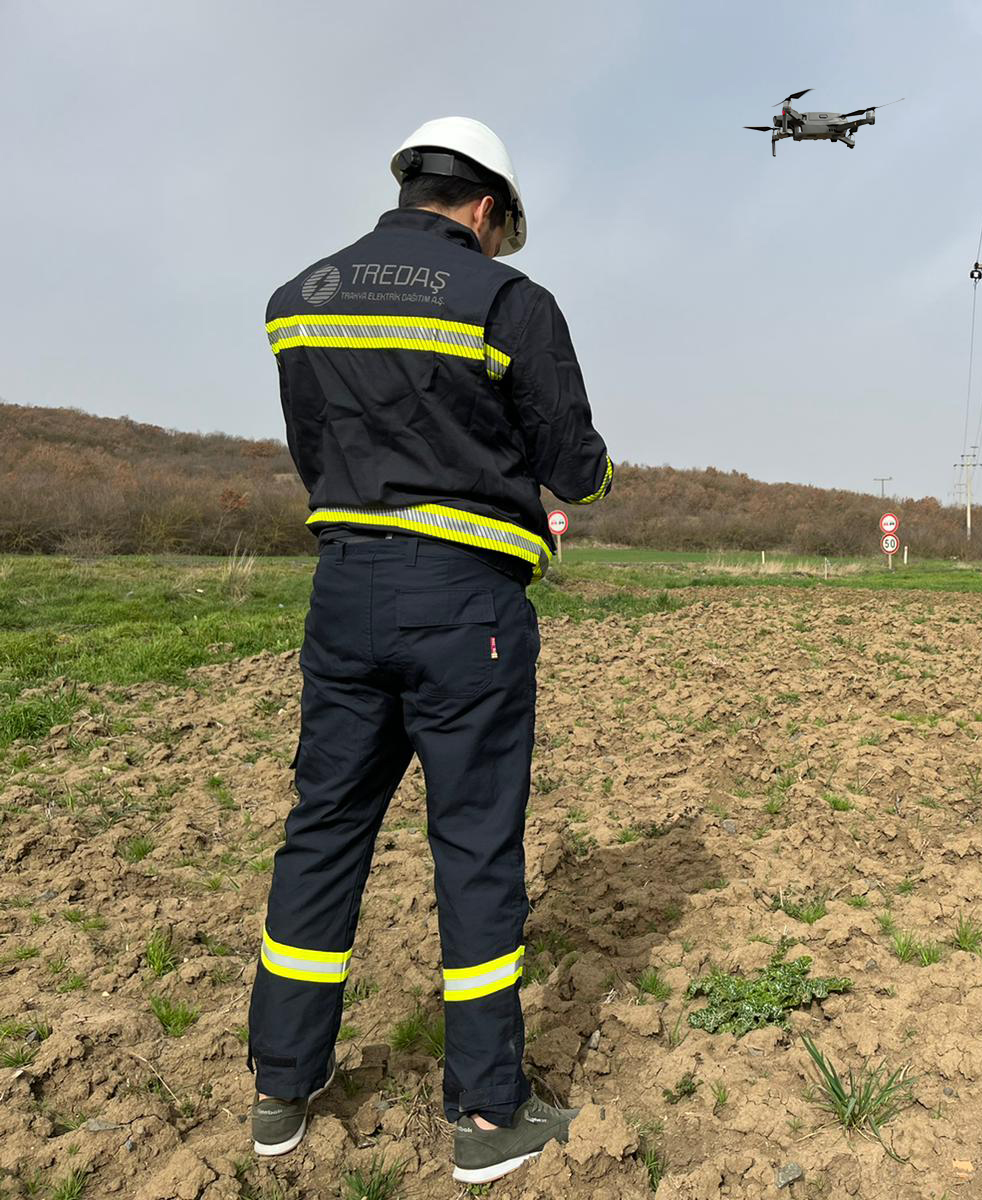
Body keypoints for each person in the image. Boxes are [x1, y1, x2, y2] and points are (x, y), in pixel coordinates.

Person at [247, 117, 612, 1186]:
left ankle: (280, 1086)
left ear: (409, 187)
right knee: (475, 848)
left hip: (344, 594)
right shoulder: (509, 302)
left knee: (322, 832)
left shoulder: (298, 298)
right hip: (468, 613)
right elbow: (575, 467)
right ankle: (489, 1116)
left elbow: (316, 450)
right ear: (489, 209)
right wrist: (545, 494)